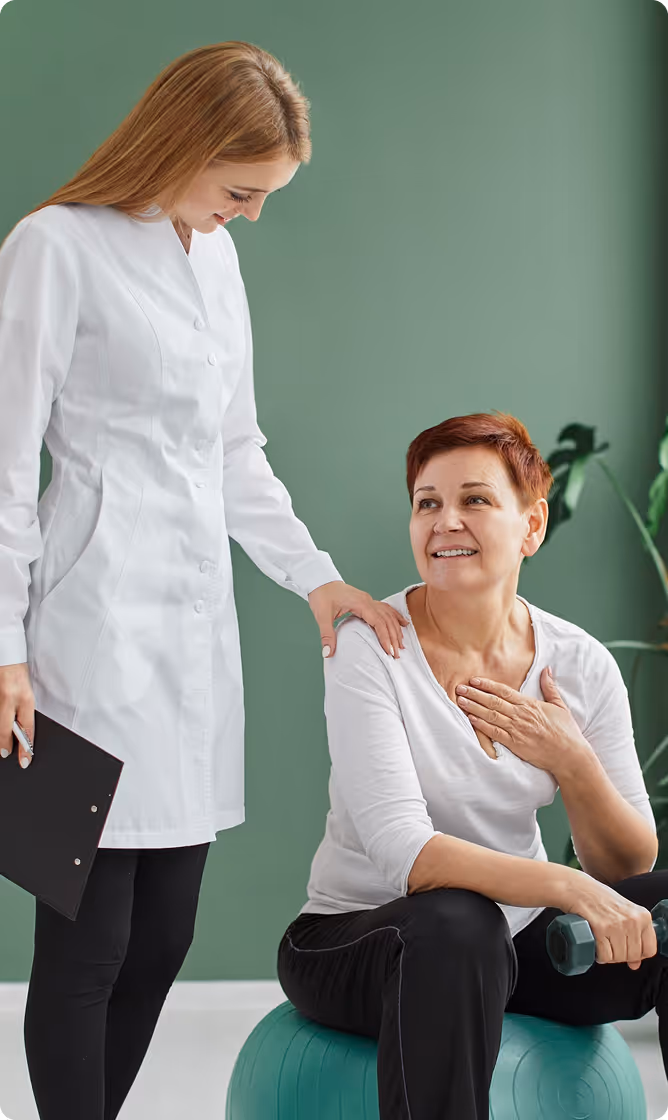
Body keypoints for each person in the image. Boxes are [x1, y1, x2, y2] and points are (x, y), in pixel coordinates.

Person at [0, 41, 408, 1120]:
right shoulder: (54, 247)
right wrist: (1, 642)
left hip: (190, 642)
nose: (253, 215)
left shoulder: (213, 258)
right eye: (241, 190)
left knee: (166, 931)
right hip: (81, 636)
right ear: (180, 146)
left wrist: (313, 578)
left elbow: (234, 452)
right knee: (89, 943)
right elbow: (2, 458)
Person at [278, 411, 668, 1120]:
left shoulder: (580, 664)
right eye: (428, 502)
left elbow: (628, 864)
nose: (444, 521)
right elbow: (404, 853)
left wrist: (572, 762)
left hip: (514, 946)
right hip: (361, 941)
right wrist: (565, 886)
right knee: (460, 924)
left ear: (532, 525)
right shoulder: (371, 645)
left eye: (475, 500)